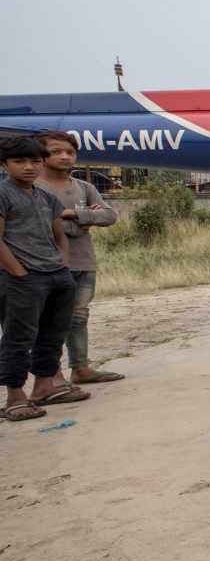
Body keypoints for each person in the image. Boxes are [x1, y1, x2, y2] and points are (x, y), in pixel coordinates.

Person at [0, 136, 87, 422]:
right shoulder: (3, 193)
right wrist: (19, 272)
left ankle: (44, 387)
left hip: (56, 276)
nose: (29, 167)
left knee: (52, 334)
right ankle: (15, 397)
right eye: (20, 161)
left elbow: (59, 234)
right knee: (19, 337)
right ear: (5, 164)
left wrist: (62, 266)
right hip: (22, 278)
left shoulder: (44, 195)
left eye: (35, 161)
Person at [34, 131, 125, 385]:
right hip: (46, 264)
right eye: (56, 151)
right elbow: (38, 221)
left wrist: (71, 214)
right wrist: (84, 216)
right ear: (42, 155)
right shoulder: (32, 188)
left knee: (78, 316)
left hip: (83, 262)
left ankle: (81, 368)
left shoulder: (85, 187)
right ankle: (52, 375)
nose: (65, 157)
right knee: (48, 320)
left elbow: (109, 216)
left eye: (70, 152)